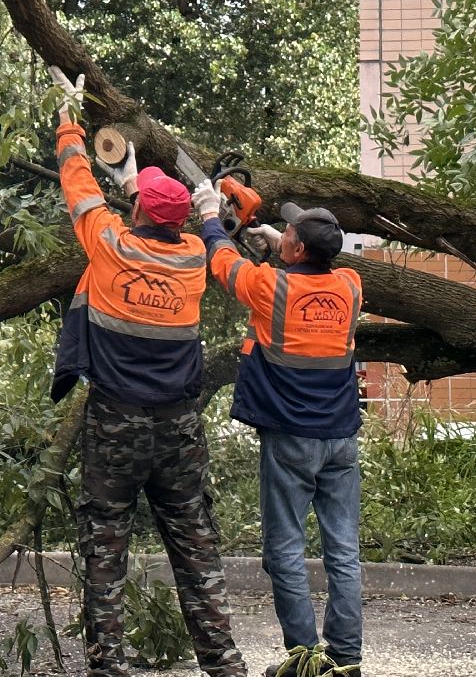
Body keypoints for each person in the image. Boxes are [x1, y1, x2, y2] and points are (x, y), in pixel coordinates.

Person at [47, 68, 247, 677]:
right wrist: (201, 209)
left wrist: (68, 118)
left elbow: (78, 183)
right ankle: (223, 663)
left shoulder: (109, 244)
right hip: (179, 429)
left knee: (106, 544)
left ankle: (108, 665)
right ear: (181, 221)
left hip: (115, 424)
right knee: (193, 539)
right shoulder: (193, 258)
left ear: (135, 210)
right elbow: (196, 233)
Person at [191, 184, 364, 677]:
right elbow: (315, 275)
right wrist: (275, 241)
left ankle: (304, 656)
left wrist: (209, 214)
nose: (283, 232)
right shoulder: (350, 285)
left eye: (288, 231)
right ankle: (345, 659)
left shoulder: (272, 287)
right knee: (343, 552)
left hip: (291, 438)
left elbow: (223, 262)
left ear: (299, 248)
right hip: (341, 437)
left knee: (285, 549)